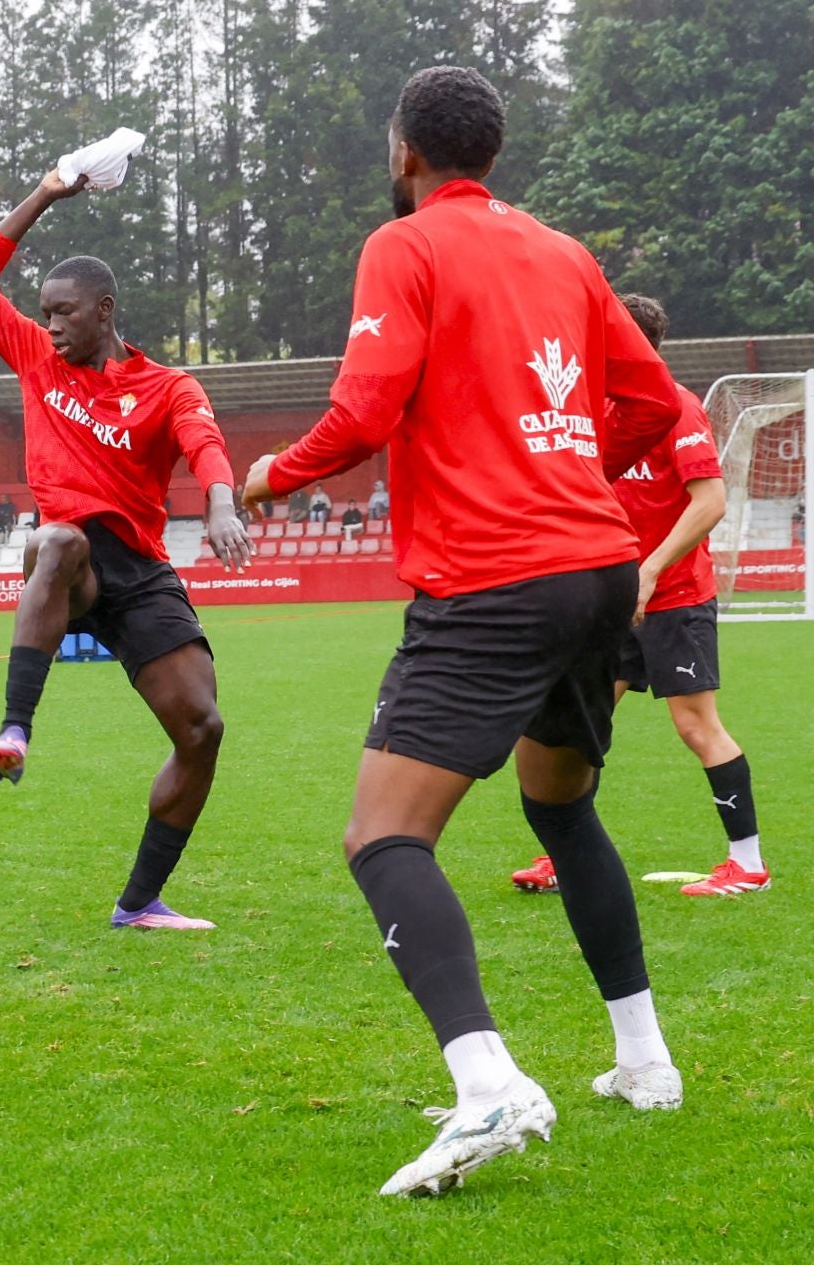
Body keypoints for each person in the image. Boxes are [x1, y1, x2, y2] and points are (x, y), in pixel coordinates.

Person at [241, 66, 684, 1197]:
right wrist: (573, 463)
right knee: (561, 804)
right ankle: (645, 1061)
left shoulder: (406, 247)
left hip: (494, 577)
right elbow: (650, 403)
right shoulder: (565, 252)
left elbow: (366, 408)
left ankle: (486, 1081)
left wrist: (272, 476)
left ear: (404, 154)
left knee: (381, 837)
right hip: (599, 569)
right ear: (492, 152)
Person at [0, 162, 252, 932]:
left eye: (63, 313)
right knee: (54, 540)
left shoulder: (166, 386)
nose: (48, 326)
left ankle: (139, 902)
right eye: (44, 313)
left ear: (104, 311)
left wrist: (220, 500)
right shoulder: (33, 357)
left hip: (140, 570)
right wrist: (49, 193)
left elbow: (204, 442)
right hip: (72, 565)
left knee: (202, 730)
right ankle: (16, 726)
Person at [512, 294, 768, 899]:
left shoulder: (675, 407)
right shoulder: (589, 411)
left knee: (696, 724)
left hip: (674, 594)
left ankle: (748, 863)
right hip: (613, 600)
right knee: (578, 724)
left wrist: (649, 571)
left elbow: (711, 503)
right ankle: (564, 852)